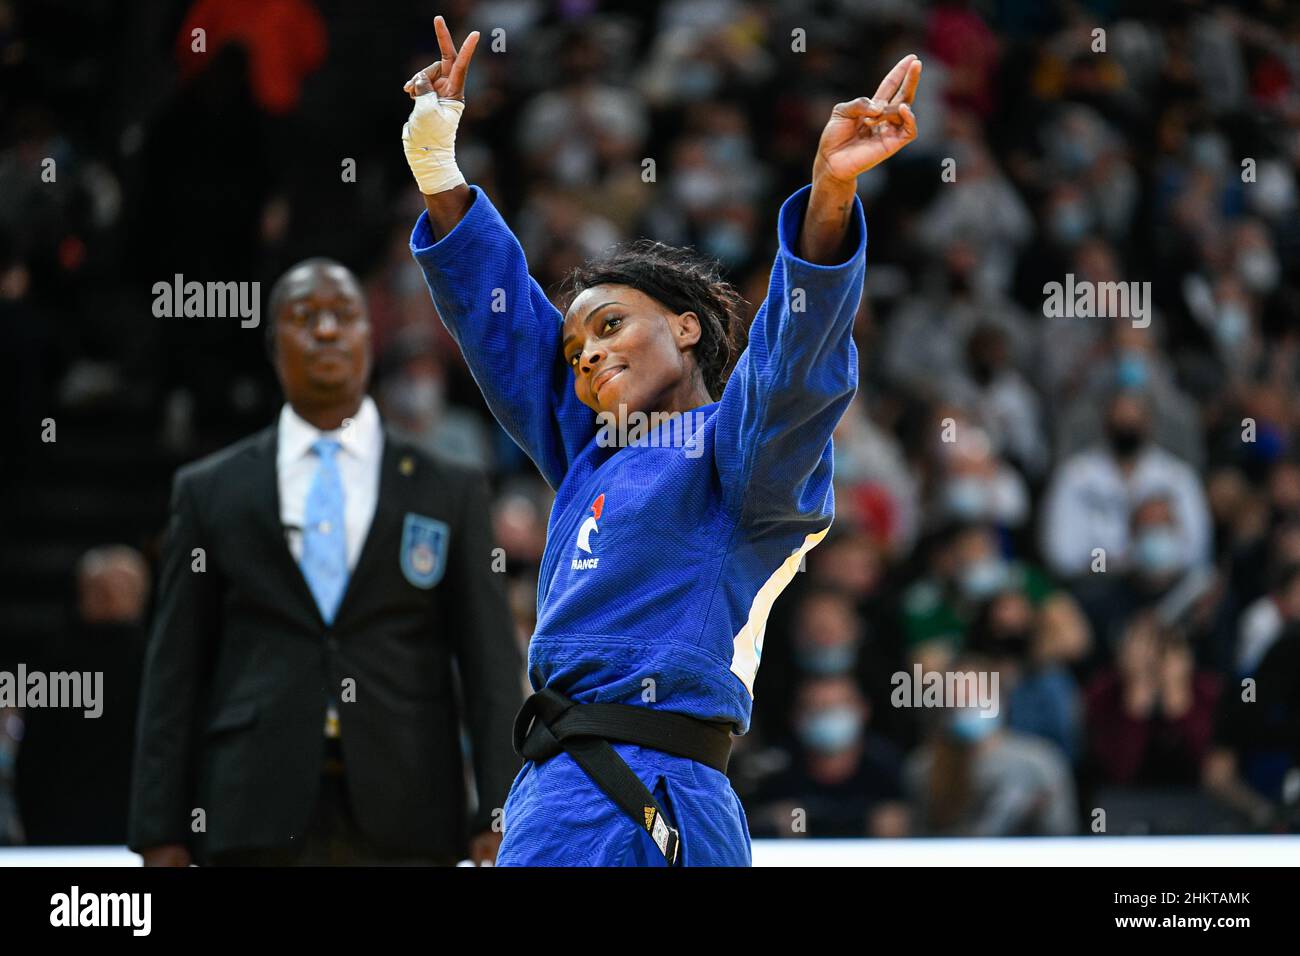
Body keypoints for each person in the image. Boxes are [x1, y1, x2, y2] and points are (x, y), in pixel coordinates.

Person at [401, 16, 921, 865]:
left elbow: (790, 374)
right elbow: (503, 327)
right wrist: (436, 164)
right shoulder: (589, 453)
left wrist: (829, 195)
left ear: (686, 328)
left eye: (610, 326)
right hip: (549, 794)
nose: (591, 354)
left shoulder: (736, 458)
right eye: (576, 353)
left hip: (667, 791)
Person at [128, 257, 523, 866]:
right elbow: (174, 667)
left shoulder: (450, 487)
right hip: (248, 810)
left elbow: (490, 664)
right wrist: (158, 827)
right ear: (273, 343)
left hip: (412, 809)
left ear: (370, 337)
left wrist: (500, 809)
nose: (327, 331)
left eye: (344, 316)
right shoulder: (210, 490)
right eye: (304, 317)